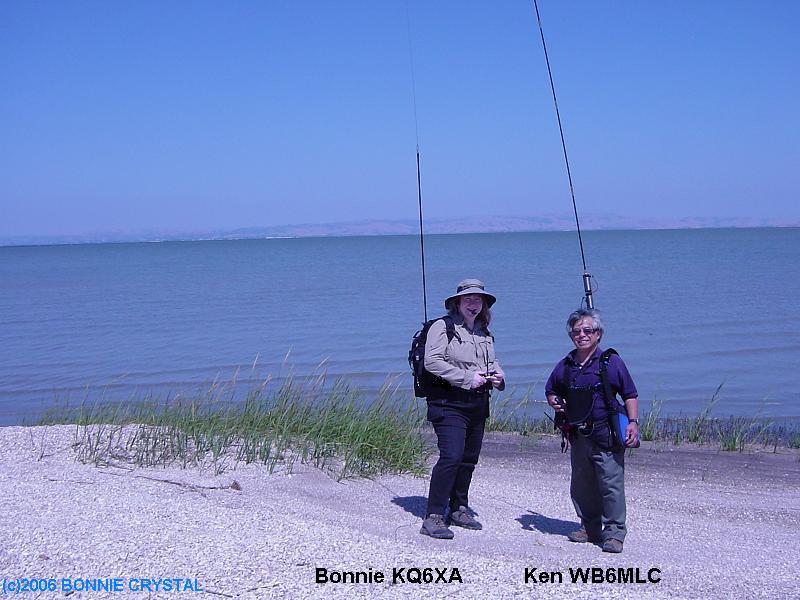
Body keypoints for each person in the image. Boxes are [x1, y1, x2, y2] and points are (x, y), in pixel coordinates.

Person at [545, 308, 639, 553]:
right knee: (582, 484)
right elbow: (551, 389)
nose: (582, 335)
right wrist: (554, 400)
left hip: (606, 433)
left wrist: (633, 422)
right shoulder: (566, 365)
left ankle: (614, 534)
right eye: (577, 331)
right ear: (571, 336)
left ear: (598, 334)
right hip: (578, 434)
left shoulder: (611, 362)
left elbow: (629, 394)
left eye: (588, 330)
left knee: (611, 484)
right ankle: (589, 527)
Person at [419, 278, 505, 539]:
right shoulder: (442, 327)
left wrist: (499, 376)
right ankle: (434, 516)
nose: (473, 303)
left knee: (468, 459)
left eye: (478, 299)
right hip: (448, 403)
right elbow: (432, 361)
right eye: (468, 298)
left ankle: (458, 508)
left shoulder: (483, 332)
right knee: (451, 456)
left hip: (477, 403)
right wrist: (467, 378)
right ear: (457, 302)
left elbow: (492, 362)